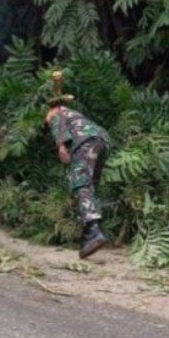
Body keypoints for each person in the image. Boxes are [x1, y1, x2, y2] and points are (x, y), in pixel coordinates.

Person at [45, 97, 112, 259]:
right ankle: (89, 234)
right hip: (102, 140)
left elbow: (61, 139)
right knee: (90, 186)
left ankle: (93, 231)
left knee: (81, 183)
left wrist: (62, 148)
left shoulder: (55, 114)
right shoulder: (74, 114)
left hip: (85, 141)